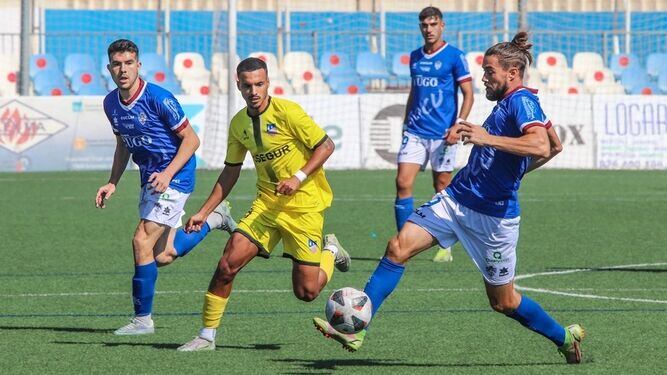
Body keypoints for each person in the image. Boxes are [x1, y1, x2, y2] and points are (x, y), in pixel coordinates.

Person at [314, 32, 586, 364]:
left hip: (494, 219)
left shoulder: (522, 101)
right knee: (398, 247)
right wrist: (492, 149)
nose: (484, 78)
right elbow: (553, 145)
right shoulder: (510, 103)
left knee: (504, 302)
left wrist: (488, 140)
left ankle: (563, 337)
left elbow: (543, 146)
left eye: (489, 71)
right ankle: (357, 326)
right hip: (456, 199)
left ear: (512, 73)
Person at [177, 57, 350, 352]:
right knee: (226, 264)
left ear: (268, 83)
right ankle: (207, 336)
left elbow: (326, 146)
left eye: (259, 84)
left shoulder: (289, 112)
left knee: (307, 293)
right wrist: (204, 212)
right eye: (247, 86)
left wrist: (297, 177)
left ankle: (330, 251)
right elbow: (230, 171)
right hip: (267, 206)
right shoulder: (238, 124)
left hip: (303, 207)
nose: (253, 91)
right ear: (239, 86)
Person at [96, 39, 236, 335]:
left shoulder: (159, 98)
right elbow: (122, 144)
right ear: (109, 68)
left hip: (176, 176)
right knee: (162, 255)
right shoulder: (110, 103)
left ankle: (142, 320)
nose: (123, 70)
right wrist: (112, 181)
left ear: (138, 66)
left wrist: (169, 174)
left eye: (129, 63)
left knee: (141, 241)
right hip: (150, 178)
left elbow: (192, 140)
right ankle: (215, 219)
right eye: (117, 64)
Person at [396, 6, 475, 263]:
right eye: (424, 25)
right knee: (402, 183)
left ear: (442, 26)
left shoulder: (454, 56)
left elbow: (469, 94)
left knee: (442, 187)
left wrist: (459, 125)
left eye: (433, 24)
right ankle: (404, 241)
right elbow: (414, 91)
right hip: (416, 132)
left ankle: (446, 243)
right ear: (420, 27)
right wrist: (406, 121)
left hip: (443, 135)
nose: (428, 29)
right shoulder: (415, 56)